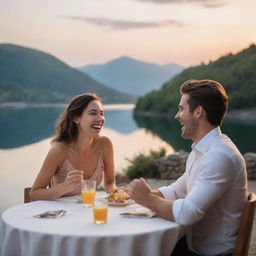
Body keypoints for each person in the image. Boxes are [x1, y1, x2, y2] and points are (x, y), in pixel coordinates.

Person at [127, 79, 248, 256]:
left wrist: (146, 198)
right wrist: (133, 194)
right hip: (194, 245)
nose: (177, 116)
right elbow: (176, 190)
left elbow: (187, 214)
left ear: (198, 112)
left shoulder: (219, 156)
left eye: (181, 109)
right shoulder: (202, 150)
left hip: (211, 253)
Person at [30, 93, 116, 201]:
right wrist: (63, 187)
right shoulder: (59, 150)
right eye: (93, 113)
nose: (100, 118)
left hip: (87, 211)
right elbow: (34, 194)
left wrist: (117, 193)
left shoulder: (105, 144)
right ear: (76, 118)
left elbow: (110, 183)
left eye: (102, 113)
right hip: (58, 214)